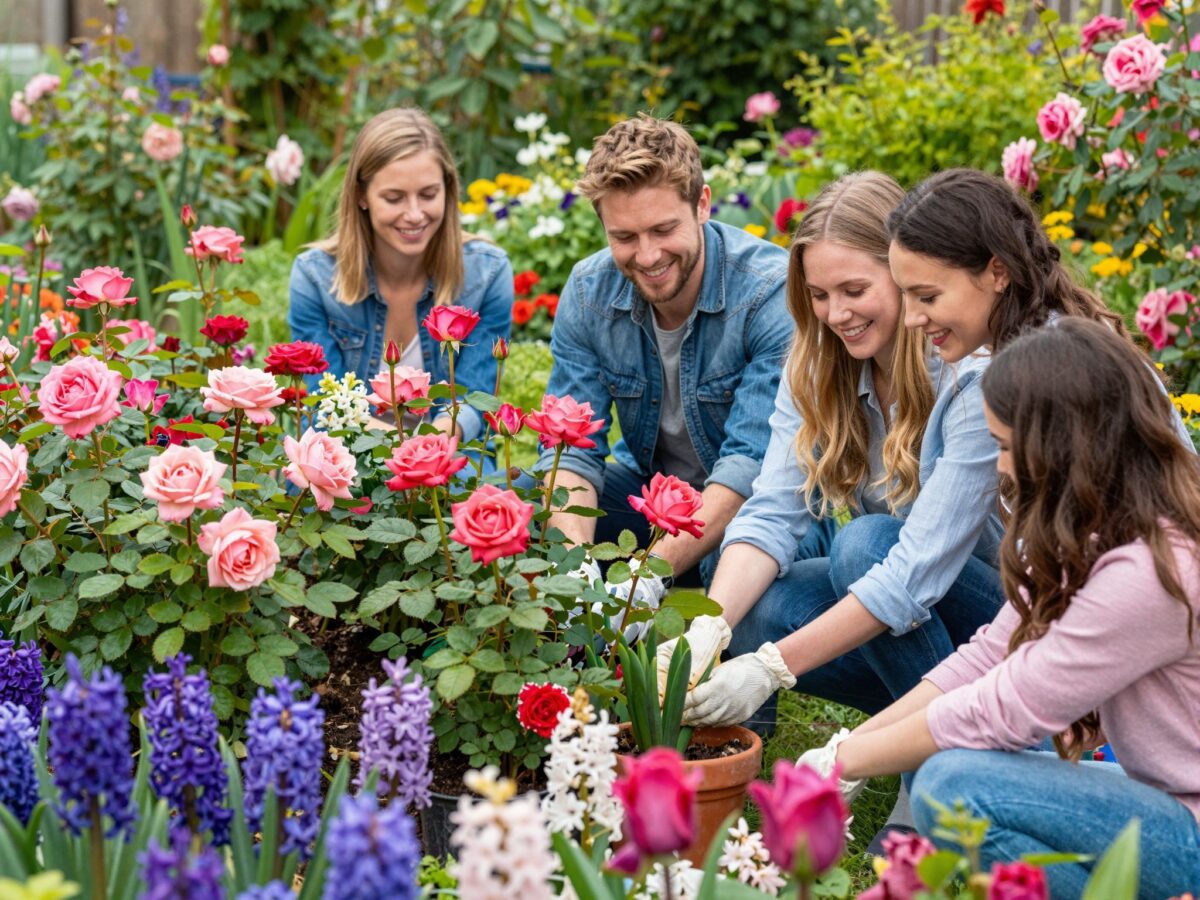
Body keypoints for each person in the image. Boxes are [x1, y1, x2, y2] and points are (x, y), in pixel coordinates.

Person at [816, 319, 1200, 899]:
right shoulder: (1106, 529)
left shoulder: (1151, 566)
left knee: (953, 790)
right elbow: (991, 655)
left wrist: (846, 760)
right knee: (958, 784)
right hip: (1169, 794)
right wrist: (845, 748)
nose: (999, 467)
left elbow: (1009, 707)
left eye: (1004, 446)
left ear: (1062, 445)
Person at [673, 173, 1004, 746]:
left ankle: (926, 755)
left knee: (865, 546)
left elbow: (913, 570)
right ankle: (928, 721)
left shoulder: (958, 364)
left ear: (903, 275)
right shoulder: (819, 362)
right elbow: (772, 510)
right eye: (819, 296)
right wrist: (712, 624)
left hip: (1008, 611)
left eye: (854, 290)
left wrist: (771, 668)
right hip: (919, 607)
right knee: (764, 608)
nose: (835, 313)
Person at [537, 115, 791, 602]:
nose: (648, 256)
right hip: (653, 493)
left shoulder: (767, 291)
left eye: (663, 229)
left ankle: (692, 616)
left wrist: (643, 578)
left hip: (762, 507)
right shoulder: (590, 292)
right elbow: (570, 447)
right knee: (533, 504)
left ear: (702, 204)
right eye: (625, 237)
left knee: (730, 555)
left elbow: (749, 466)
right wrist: (574, 573)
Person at [886, 167, 1192, 447]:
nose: (910, 319)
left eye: (927, 297)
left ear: (998, 272)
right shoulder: (1050, 333)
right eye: (904, 294)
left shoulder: (1051, 373)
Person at [288, 107, 513, 443]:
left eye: (428, 194)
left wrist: (429, 449)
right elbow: (326, 407)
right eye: (394, 198)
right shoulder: (316, 278)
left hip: (448, 450)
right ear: (361, 196)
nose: (414, 214)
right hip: (348, 450)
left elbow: (474, 400)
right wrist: (399, 448)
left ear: (448, 190)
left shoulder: (486, 274)